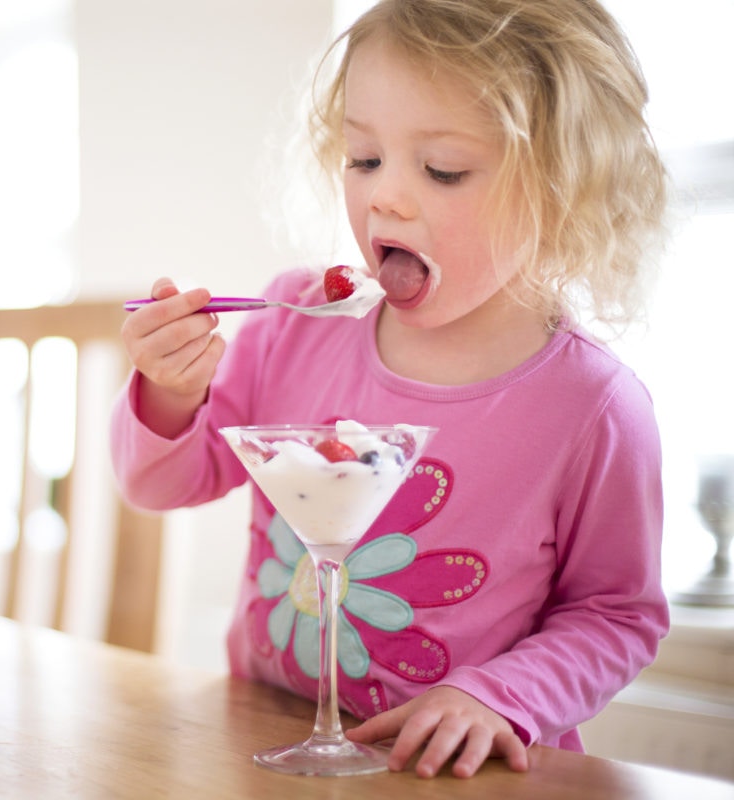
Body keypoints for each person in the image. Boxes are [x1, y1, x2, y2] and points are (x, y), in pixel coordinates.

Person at [110, 0, 671, 780]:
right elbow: (161, 481)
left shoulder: (593, 408)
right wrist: (169, 389)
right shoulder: (297, 323)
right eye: (363, 158)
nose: (385, 198)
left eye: (443, 169)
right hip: (266, 748)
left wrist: (499, 696)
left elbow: (615, 616)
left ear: (564, 186)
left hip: (455, 774)